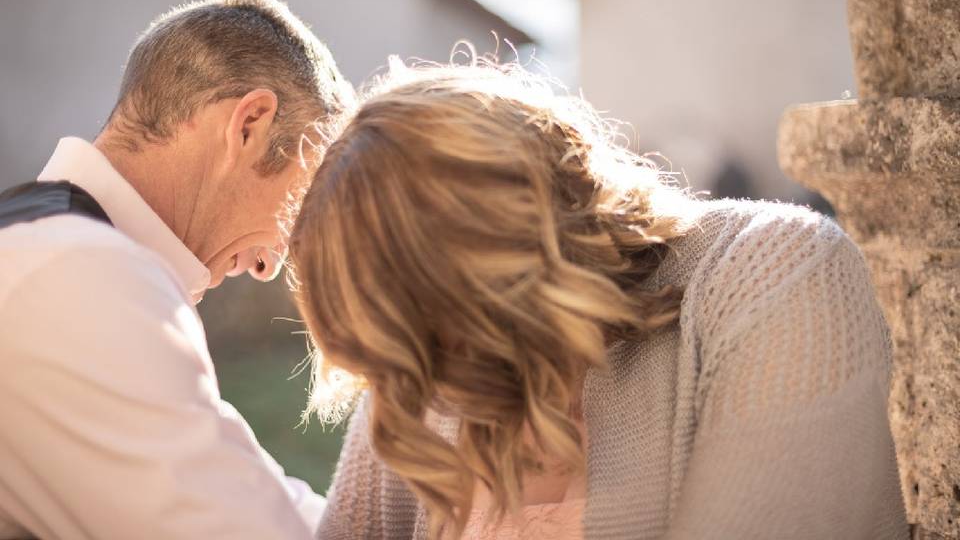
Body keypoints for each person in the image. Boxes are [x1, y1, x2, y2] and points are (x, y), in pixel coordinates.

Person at [288, 58, 909, 539]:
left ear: (514, 261)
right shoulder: (418, 379)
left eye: (433, 342)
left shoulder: (775, 274)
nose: (419, 394)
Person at [0, 0, 355, 539]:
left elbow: (248, 492)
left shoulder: (49, 244)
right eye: (302, 201)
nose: (271, 265)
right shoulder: (81, 273)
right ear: (249, 125)